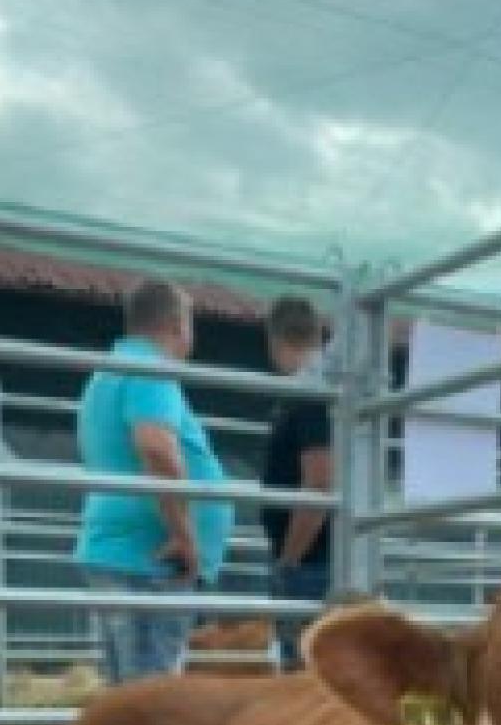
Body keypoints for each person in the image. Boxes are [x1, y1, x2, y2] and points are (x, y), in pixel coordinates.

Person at [74, 279, 233, 685]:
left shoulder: (111, 371)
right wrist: (184, 534)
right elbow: (156, 447)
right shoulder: (151, 370)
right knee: (153, 697)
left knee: (128, 695)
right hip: (149, 558)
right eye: (191, 325)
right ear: (178, 324)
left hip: (123, 550)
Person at [258, 295, 334, 669]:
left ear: (275, 340)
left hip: (309, 561)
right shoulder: (318, 390)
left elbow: (319, 482)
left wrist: (289, 560)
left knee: (303, 670)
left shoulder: (309, 395)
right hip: (313, 557)